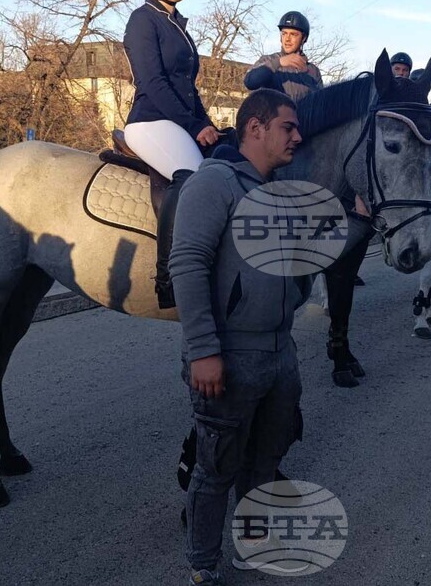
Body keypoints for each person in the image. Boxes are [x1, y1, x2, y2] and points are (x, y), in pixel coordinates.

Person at [170, 89, 306, 586]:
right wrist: (204, 350)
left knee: (265, 461)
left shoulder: (281, 190)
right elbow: (187, 264)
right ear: (255, 128)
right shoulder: (215, 183)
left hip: (280, 352)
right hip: (230, 353)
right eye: (287, 127)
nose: (297, 136)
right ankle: (204, 565)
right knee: (216, 468)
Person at [123, 0, 221, 310]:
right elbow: (153, 83)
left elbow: (189, 89)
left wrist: (209, 124)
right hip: (150, 121)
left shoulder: (177, 23)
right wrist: (194, 126)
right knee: (196, 183)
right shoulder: (142, 21)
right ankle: (168, 279)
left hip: (178, 121)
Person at [243, 11, 323, 101]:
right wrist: (278, 62)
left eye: (293, 34)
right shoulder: (268, 60)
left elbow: (320, 103)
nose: (287, 39)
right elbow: (249, 82)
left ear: (303, 38)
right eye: (284, 33)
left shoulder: (313, 71)